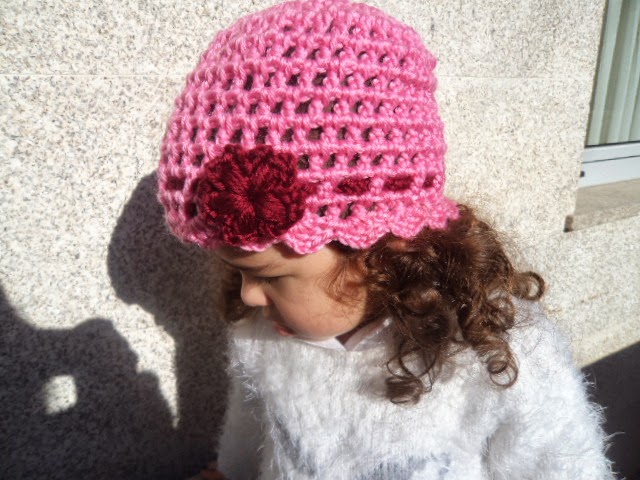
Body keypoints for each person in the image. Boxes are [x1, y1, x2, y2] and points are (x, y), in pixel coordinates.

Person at [157, 0, 614, 478]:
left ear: (383, 247)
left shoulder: (496, 352)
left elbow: (564, 465)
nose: (249, 296)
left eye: (268, 276)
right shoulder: (262, 335)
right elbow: (248, 436)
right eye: (238, 272)